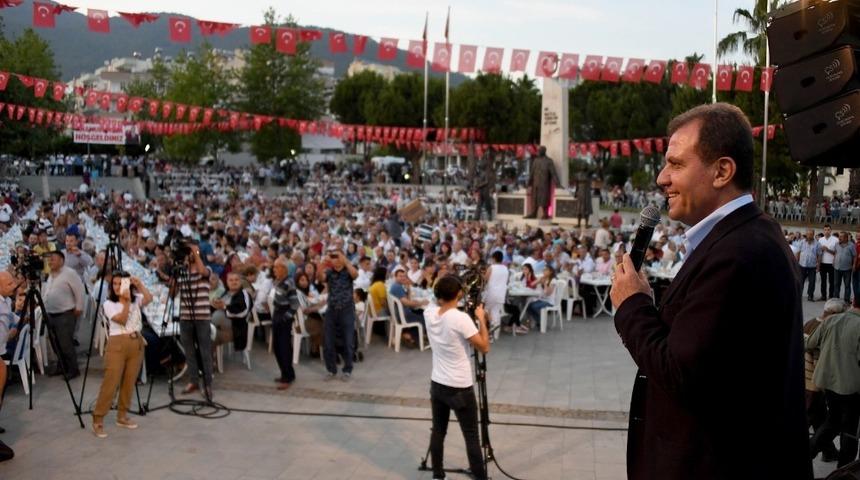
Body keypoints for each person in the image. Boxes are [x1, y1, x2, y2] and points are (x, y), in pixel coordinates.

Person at [610, 103, 810, 479]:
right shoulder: (744, 238)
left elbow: (680, 373)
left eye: (677, 164)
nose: (662, 178)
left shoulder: (740, 253)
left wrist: (632, 305)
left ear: (722, 171)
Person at [424, 275, 489, 480]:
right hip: (460, 387)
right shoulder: (460, 319)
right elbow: (484, 347)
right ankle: (480, 477)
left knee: (438, 431)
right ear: (459, 294)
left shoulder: (429, 312)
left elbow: (436, 303)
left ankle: (437, 474)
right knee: (471, 436)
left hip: (438, 383)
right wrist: (481, 319)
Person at [92, 272, 152, 438]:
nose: (118, 287)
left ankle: (122, 415)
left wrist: (139, 284)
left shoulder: (135, 299)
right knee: (111, 382)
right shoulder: (109, 304)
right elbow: (121, 319)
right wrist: (125, 302)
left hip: (136, 342)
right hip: (118, 343)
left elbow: (149, 298)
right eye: (115, 284)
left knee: (129, 381)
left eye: (121, 283)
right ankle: (98, 418)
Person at [806, 299, 860, 467]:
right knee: (850, 431)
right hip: (851, 387)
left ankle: (806, 453)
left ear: (853, 302)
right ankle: (844, 470)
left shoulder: (831, 320)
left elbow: (809, 343)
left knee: (833, 421)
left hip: (827, 383)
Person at [803, 298, 846, 463]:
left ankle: (829, 452)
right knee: (815, 418)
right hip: (813, 383)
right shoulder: (826, 329)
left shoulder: (810, 322)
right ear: (834, 315)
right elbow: (820, 360)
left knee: (821, 418)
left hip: (805, 380)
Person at [172, 242, 215, 401]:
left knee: (205, 352)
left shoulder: (207, 269)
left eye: (191, 252)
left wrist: (195, 251)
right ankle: (193, 381)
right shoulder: (183, 272)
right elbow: (172, 294)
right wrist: (175, 275)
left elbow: (203, 271)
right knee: (189, 351)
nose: (189, 254)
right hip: (185, 317)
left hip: (202, 317)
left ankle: (208, 384)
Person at [318, 246, 358, 380]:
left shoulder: (348, 270)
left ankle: (347, 369)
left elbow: (355, 275)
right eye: (333, 257)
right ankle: (331, 370)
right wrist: (322, 263)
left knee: (348, 341)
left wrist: (345, 261)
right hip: (332, 309)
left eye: (337, 256)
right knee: (328, 341)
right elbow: (320, 278)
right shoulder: (329, 272)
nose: (335, 259)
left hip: (346, 309)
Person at [43, 251, 84, 378]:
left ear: (61, 260)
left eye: (53, 259)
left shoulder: (69, 273)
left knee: (65, 343)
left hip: (65, 313)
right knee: (55, 344)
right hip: (51, 313)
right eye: (49, 260)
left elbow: (79, 290)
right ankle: (62, 366)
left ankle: (73, 369)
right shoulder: (50, 275)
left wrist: (79, 306)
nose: (50, 262)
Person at [269, 258, 298, 390]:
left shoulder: (289, 283)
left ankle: (287, 377)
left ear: (284, 269)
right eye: (274, 267)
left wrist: (285, 318)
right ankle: (286, 373)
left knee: (284, 348)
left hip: (283, 316)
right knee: (277, 347)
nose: (274, 270)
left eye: (277, 267)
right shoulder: (278, 282)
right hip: (277, 314)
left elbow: (294, 305)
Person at [0, 272, 19, 462]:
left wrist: (20, 313)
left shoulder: (5, 301)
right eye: (8, 283)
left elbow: (11, 318)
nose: (13, 285)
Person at [526, 146, 562, 219]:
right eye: (538, 151)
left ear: (543, 151)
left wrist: (558, 184)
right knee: (535, 198)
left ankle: (545, 213)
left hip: (544, 184)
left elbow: (553, 173)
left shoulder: (549, 161)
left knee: (544, 198)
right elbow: (532, 172)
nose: (538, 152)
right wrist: (529, 183)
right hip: (536, 183)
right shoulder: (536, 161)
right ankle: (534, 213)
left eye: (539, 151)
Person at [797, 229, 821, 302]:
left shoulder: (817, 244)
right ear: (806, 234)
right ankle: (798, 295)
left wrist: (818, 266)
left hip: (812, 266)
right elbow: (798, 253)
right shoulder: (801, 242)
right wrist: (796, 263)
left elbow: (819, 255)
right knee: (800, 281)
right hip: (802, 265)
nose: (809, 236)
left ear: (813, 235)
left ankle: (810, 296)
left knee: (812, 282)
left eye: (811, 234)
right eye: (808, 234)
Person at [834, 231, 855, 303]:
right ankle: (836, 299)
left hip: (847, 268)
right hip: (837, 267)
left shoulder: (851, 245)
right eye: (839, 236)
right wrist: (834, 261)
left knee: (847, 285)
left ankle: (847, 300)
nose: (839, 238)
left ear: (846, 238)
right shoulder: (836, 244)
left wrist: (854, 265)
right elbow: (835, 253)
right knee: (836, 284)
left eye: (841, 237)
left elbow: (854, 256)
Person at [819, 224, 838, 300]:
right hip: (822, 262)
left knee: (831, 281)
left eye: (828, 230)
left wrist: (827, 250)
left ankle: (831, 296)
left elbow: (837, 253)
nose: (826, 231)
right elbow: (818, 252)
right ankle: (823, 296)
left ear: (831, 230)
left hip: (831, 263)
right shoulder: (820, 239)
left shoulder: (835, 240)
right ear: (823, 231)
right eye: (825, 230)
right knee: (823, 281)